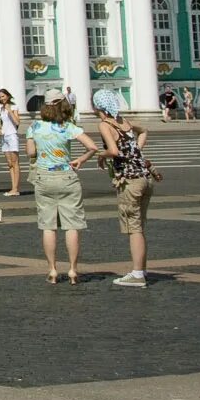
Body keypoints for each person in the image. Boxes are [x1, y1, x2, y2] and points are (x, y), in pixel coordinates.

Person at [26, 90, 102, 283]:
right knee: (72, 226)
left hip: (44, 177)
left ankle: (52, 270)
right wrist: (80, 160)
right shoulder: (68, 126)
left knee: (48, 227)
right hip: (67, 176)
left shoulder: (34, 126)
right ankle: (73, 270)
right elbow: (93, 147)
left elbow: (30, 152)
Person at [92, 88, 161, 288]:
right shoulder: (124, 121)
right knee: (138, 226)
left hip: (130, 181)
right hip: (145, 178)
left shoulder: (105, 124)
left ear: (98, 106)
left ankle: (138, 274)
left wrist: (101, 155)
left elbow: (113, 150)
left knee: (134, 228)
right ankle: (141, 269)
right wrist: (136, 149)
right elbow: (144, 130)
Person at [0, 89, 24, 198]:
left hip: (12, 136)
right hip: (5, 136)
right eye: (0, 97)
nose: (1, 98)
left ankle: (15, 189)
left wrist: (10, 111)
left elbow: (17, 122)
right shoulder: (2, 108)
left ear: (8, 96)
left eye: (3, 96)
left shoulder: (14, 107)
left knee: (15, 162)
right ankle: (13, 187)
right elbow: (3, 122)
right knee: (10, 164)